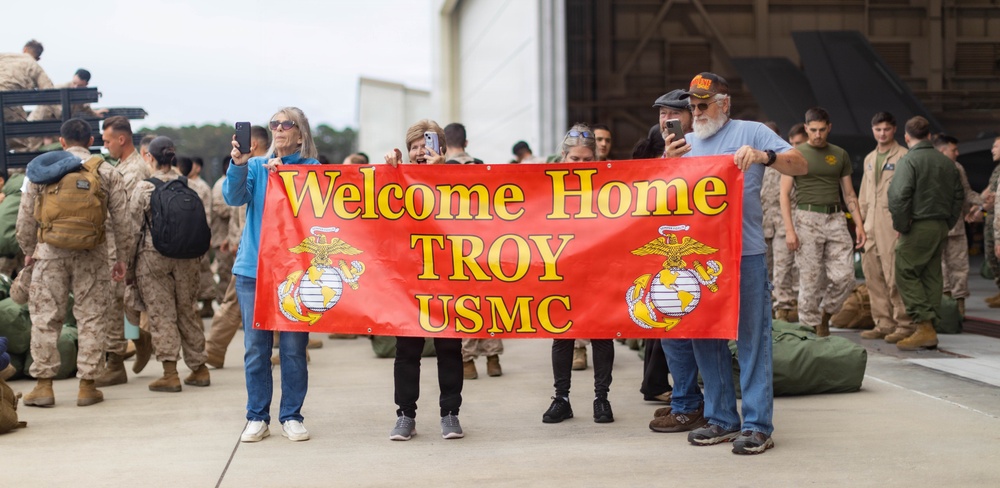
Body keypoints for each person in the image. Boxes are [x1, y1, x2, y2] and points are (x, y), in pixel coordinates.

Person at [655, 72, 807, 454]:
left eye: (703, 104)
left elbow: (800, 164)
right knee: (705, 336)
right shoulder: (685, 144)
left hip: (745, 253)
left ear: (724, 103)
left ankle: (757, 425)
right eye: (692, 105)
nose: (696, 111)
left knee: (753, 339)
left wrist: (763, 157)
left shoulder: (751, 132)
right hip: (700, 258)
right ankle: (722, 418)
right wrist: (665, 165)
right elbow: (658, 200)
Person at [17, 118, 131, 407]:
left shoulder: (42, 169)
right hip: (92, 254)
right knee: (91, 317)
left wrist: (31, 250)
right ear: (91, 141)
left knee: (45, 318)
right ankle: (87, 386)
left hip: (49, 254)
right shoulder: (105, 170)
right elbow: (123, 221)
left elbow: (25, 218)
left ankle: (43, 386)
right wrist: (122, 259)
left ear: (62, 141)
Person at [225, 107, 319, 443]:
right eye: (274, 124)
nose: (278, 129)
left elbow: (319, 209)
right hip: (254, 268)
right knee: (255, 347)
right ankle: (257, 416)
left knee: (294, 347)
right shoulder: (254, 166)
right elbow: (233, 197)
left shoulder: (313, 169)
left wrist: (289, 175)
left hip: (296, 271)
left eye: (286, 124)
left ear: (300, 133)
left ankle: (291, 415)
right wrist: (237, 164)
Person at [383, 119, 465, 441]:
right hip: (410, 280)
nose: (420, 152)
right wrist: (391, 172)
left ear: (441, 149)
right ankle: (405, 415)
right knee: (407, 351)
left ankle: (450, 413)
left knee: (449, 347)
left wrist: (442, 174)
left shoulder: (458, 178)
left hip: (447, 277)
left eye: (426, 145)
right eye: (414, 147)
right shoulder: (398, 178)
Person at [540, 123, 617, 424]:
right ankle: (562, 398)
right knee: (562, 333)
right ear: (563, 158)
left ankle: (602, 398)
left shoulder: (611, 186)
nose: (581, 165)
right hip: (563, 265)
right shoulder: (547, 185)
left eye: (587, 160)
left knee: (602, 333)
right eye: (575, 160)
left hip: (599, 266)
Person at [128, 137, 211, 392]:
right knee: (187, 310)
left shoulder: (144, 188)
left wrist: (128, 266)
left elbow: (132, 231)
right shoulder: (190, 186)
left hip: (154, 258)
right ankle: (199, 369)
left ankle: (170, 372)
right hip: (187, 258)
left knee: (161, 314)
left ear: (150, 158)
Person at [780, 107, 866, 336]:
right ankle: (810, 327)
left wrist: (859, 224)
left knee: (846, 276)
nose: (817, 135)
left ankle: (825, 314)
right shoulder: (795, 154)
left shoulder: (839, 154)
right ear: (806, 128)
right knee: (810, 278)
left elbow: (849, 194)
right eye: (813, 130)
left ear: (829, 128)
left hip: (836, 217)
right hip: (806, 217)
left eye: (822, 130)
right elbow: (784, 195)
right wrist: (789, 230)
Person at [887, 116, 964, 351]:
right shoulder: (947, 163)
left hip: (917, 225)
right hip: (940, 224)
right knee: (931, 273)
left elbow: (898, 196)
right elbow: (959, 196)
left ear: (907, 137)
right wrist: (947, 222)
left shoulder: (908, 161)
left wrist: (902, 225)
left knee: (905, 269)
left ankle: (923, 325)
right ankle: (930, 326)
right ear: (930, 136)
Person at [93, 116, 154, 387]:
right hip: (116, 246)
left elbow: (128, 219)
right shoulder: (120, 166)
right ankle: (140, 340)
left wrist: (125, 262)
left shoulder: (134, 171)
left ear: (121, 139)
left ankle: (116, 363)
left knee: (113, 305)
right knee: (118, 305)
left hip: (123, 247)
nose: (105, 147)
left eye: (107, 141)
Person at [856, 113, 913, 342]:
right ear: (872, 130)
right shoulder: (870, 159)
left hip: (892, 225)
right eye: (878, 129)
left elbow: (910, 194)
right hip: (870, 225)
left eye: (886, 129)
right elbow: (863, 196)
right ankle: (883, 323)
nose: (882, 134)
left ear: (894, 130)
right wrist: (860, 226)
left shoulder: (904, 157)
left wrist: (905, 222)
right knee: (873, 277)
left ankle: (905, 324)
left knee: (894, 276)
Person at [933, 134, 979, 317]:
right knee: (938, 266)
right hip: (935, 226)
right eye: (954, 150)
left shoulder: (957, 167)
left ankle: (959, 307)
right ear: (943, 150)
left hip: (956, 226)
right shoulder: (930, 166)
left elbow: (966, 192)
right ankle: (944, 306)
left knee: (959, 265)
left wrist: (981, 202)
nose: (957, 153)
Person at [769, 124, 806, 321]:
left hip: (787, 224)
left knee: (788, 270)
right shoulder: (754, 159)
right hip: (763, 226)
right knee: (770, 274)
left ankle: (790, 310)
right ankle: (776, 311)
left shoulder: (788, 161)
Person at [178, 156, 216, 318]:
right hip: (192, 235)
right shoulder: (186, 184)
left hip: (199, 233)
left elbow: (206, 212)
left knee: (204, 269)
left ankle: (208, 302)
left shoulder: (201, 187)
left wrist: (204, 234)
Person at [0, 47, 54, 151]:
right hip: (8, 102)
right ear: (38, 58)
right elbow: (49, 91)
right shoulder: (34, 64)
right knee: (21, 144)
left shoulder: (4, 56)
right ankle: (17, 166)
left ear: (24, 49)